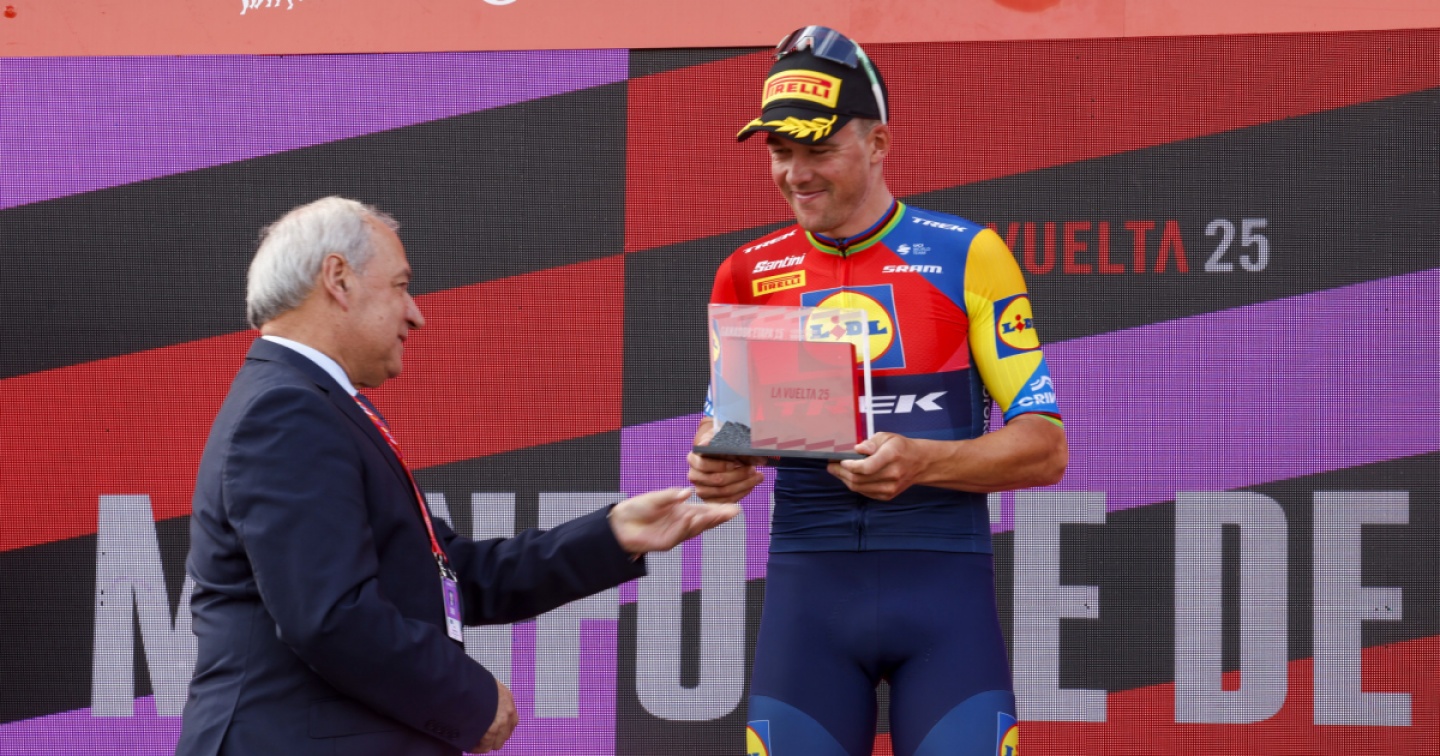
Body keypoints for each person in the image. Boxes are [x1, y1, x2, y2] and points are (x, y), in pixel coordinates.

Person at [177, 196, 738, 756]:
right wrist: (468, 699)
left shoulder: (309, 402)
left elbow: (446, 574)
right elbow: (329, 617)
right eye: (400, 286)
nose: (415, 314)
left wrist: (613, 535)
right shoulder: (287, 410)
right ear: (338, 279)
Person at [687, 26, 1068, 756]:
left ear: (879, 143)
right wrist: (716, 463)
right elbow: (727, 430)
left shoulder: (966, 255)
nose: (796, 174)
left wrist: (924, 461)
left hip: (944, 594)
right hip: (808, 598)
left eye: (819, 149)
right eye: (780, 151)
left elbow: (1045, 447)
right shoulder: (747, 273)